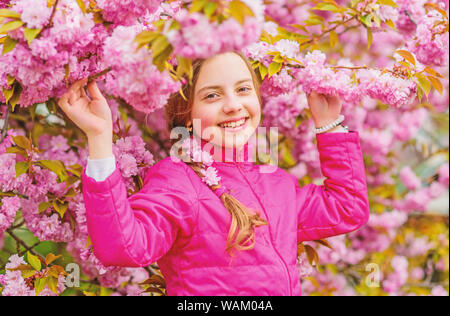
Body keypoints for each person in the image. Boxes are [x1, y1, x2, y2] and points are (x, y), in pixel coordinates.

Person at [57, 51, 370, 296]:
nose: (233, 105)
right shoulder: (178, 181)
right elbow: (124, 247)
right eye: (212, 95)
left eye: (243, 89)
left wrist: (329, 125)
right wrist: (100, 139)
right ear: (187, 116)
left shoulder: (277, 182)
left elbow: (348, 208)